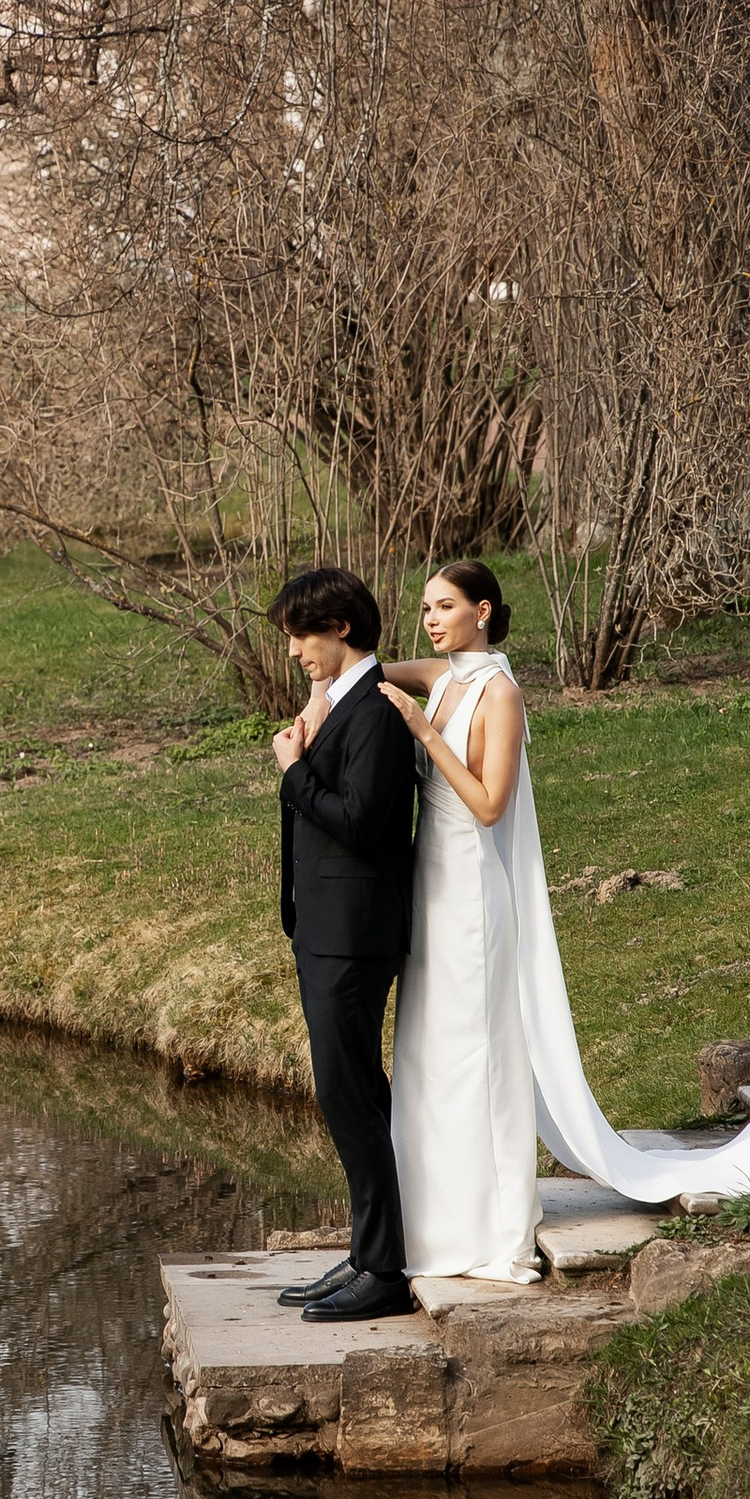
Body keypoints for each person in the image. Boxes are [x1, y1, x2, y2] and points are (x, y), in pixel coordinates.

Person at [377, 558, 750, 1266]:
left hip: (474, 897)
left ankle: (483, 1216)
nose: (431, 619)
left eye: (444, 606)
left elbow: (488, 804)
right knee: (431, 1050)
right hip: (431, 893)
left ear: (483, 610)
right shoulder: (445, 678)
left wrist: (423, 733)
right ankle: (430, 1207)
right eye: (425, 608)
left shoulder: (498, 694)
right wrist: (339, 676)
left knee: (473, 1049)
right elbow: (385, 669)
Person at [268, 563, 421, 1323]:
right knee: (351, 1092)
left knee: (349, 1094)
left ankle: (385, 1270)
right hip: (326, 928)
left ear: (342, 630)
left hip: (356, 934)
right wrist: (309, 730)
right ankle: (369, 1250)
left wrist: (295, 772)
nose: (294, 650)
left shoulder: (380, 715)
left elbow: (360, 821)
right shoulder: (342, 703)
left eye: (302, 636)